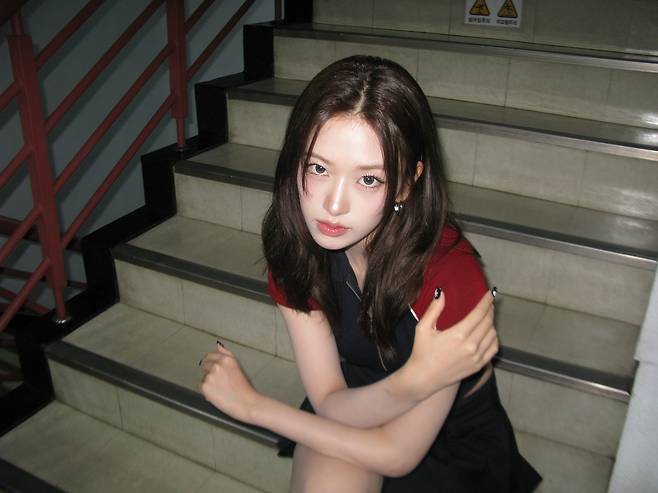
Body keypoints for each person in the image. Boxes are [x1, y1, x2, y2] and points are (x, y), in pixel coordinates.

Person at [199, 55, 541, 492]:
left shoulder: (450, 277)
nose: (333, 205)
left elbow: (398, 454)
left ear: (406, 183)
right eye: (318, 168)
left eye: (368, 180)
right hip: (362, 393)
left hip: (452, 432)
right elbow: (329, 398)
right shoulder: (295, 247)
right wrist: (413, 380)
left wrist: (253, 407)